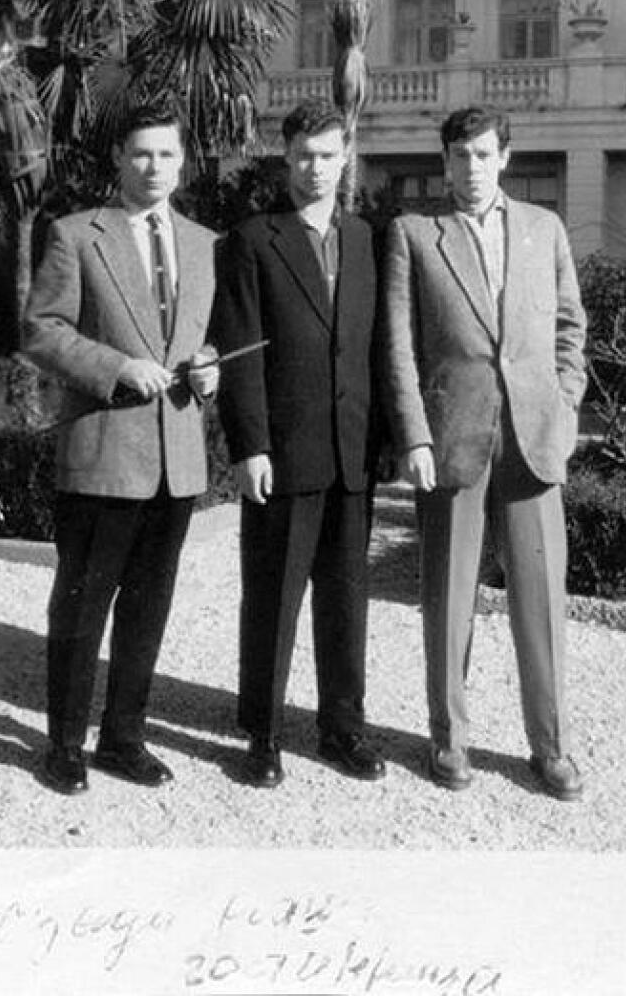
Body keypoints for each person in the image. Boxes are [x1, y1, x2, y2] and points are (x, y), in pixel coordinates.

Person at [380, 105, 587, 800]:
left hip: (533, 442)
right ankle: (449, 737)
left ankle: (551, 746)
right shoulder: (415, 234)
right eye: (459, 155)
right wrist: (414, 433)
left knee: (541, 599)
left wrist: (564, 407)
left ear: (504, 157)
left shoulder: (543, 228)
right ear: (444, 162)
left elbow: (569, 328)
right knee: (447, 597)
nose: (471, 167)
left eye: (482, 154)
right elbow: (399, 346)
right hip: (452, 438)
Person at [23, 105, 219, 795]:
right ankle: (64, 745)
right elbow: (42, 331)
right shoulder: (77, 234)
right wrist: (116, 367)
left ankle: (123, 738)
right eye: (140, 153)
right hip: (103, 456)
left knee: (146, 609)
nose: (153, 167)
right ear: (118, 158)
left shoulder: (204, 243)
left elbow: (208, 335)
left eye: (165, 154)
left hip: (176, 461)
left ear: (183, 162)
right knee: (81, 609)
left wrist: (210, 366)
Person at [210, 101, 385, 788]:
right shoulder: (254, 239)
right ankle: (263, 733)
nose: (315, 168)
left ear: (345, 159)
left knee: (346, 601)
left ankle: (343, 729)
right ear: (285, 158)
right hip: (283, 453)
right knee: (272, 599)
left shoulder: (366, 239)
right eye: (304, 155)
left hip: (352, 454)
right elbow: (239, 352)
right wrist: (250, 445)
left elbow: (375, 347)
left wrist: (386, 441)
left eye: (327, 155)